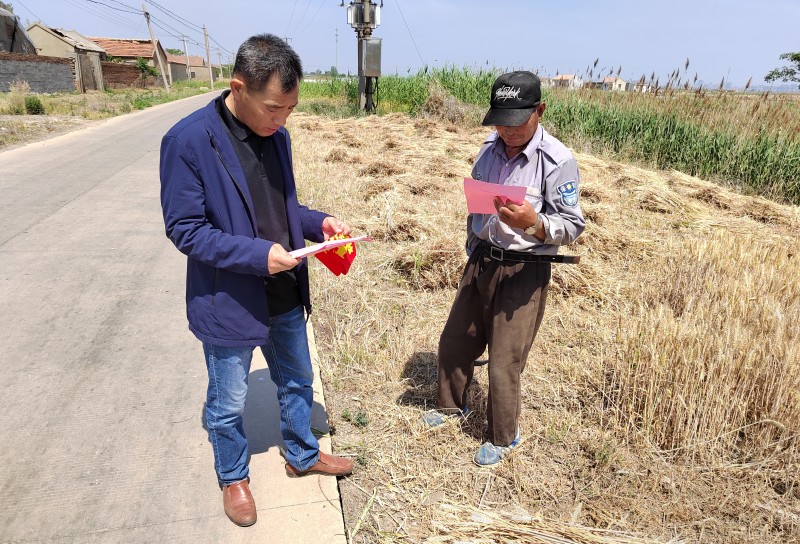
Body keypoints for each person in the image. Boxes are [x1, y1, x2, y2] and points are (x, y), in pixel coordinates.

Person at [159, 34, 353, 527]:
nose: (281, 119)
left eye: (290, 109)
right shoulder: (188, 141)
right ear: (238, 88)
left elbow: (281, 207)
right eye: (273, 108)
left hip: (283, 285)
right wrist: (256, 255)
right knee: (228, 401)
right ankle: (232, 475)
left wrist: (319, 223)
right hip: (230, 295)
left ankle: (302, 452)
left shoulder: (277, 138)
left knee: (298, 378)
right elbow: (185, 230)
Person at [423, 71, 586, 466]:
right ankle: (451, 405)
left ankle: (502, 436)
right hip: (482, 259)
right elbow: (476, 203)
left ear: (539, 111)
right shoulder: (487, 150)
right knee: (456, 339)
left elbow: (573, 226)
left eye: (517, 122)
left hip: (524, 270)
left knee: (505, 359)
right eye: (501, 121)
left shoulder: (557, 161)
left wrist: (534, 223)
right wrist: (472, 244)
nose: (508, 131)